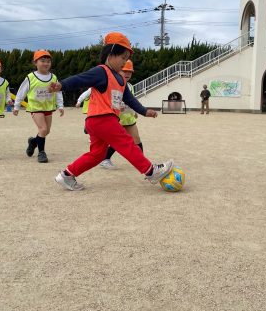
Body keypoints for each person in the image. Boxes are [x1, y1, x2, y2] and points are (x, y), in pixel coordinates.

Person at [48, 31, 173, 191]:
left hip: (97, 121)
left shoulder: (120, 80)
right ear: (110, 54)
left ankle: (66, 175)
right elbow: (81, 78)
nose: (124, 62)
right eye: (122, 57)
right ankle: (151, 172)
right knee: (126, 142)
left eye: (127, 58)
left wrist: (144, 111)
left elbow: (129, 99)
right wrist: (61, 85)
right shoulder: (102, 71)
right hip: (103, 118)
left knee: (98, 154)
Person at [12, 50, 64, 163]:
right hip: (35, 107)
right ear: (35, 63)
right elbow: (21, 92)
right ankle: (41, 153)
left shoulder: (54, 77)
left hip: (48, 107)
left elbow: (58, 92)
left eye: (48, 61)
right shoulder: (30, 77)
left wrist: (60, 105)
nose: (46, 63)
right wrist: (16, 106)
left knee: (46, 131)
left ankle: (33, 142)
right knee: (43, 129)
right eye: (42, 61)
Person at [99, 60, 143, 169]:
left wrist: (135, 112)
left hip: (129, 118)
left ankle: (142, 161)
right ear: (118, 70)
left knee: (136, 139)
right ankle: (105, 159)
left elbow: (132, 101)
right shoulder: (112, 84)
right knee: (117, 142)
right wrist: (117, 108)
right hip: (117, 119)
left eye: (130, 72)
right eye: (125, 71)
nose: (127, 74)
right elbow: (107, 102)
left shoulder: (130, 86)